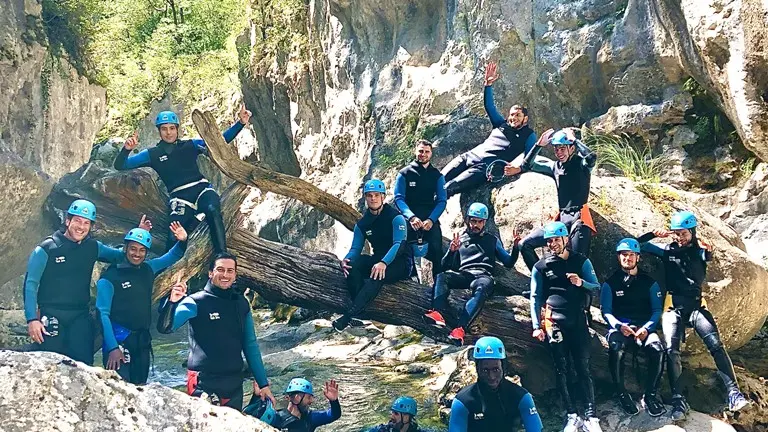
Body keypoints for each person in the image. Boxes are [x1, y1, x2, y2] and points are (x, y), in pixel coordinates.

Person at [638, 211, 749, 420]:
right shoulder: (667, 250)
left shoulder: (700, 250)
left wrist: (709, 251)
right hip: (673, 306)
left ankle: (734, 393)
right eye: (677, 234)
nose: (680, 238)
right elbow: (638, 245)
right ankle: (679, 399)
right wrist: (653, 234)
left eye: (684, 234)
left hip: (696, 306)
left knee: (716, 345)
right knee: (672, 351)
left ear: (692, 232)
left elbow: (707, 255)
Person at [114, 106, 253, 253]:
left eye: (172, 128)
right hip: (179, 198)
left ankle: (222, 254)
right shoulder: (152, 154)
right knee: (174, 234)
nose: (169, 132)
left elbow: (218, 142)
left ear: (177, 129)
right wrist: (126, 149)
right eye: (164, 129)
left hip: (202, 190)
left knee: (212, 210)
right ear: (159, 131)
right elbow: (121, 165)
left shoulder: (190, 145)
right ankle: (170, 270)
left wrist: (241, 123)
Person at [156, 252, 275, 410]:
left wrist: (263, 384)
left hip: (233, 385)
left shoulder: (241, 303)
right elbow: (166, 328)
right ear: (211, 273)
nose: (225, 275)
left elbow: (250, 345)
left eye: (230, 270)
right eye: (220, 269)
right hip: (203, 383)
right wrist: (172, 303)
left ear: (235, 274)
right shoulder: (195, 301)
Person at [23, 199, 136, 365]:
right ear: (68, 221)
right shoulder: (47, 248)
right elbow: (30, 285)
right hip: (51, 314)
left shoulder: (92, 247)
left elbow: (120, 256)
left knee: (83, 366)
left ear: (90, 226)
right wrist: (32, 319)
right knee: (48, 366)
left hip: (80, 316)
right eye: (77, 221)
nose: (81, 226)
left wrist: (137, 237)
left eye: (86, 223)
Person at [529, 221, 602, 432]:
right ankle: (572, 415)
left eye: (556, 240)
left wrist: (582, 283)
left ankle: (591, 416)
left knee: (583, 367)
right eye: (549, 241)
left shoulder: (581, 261)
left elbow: (596, 287)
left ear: (565, 239)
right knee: (561, 368)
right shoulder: (541, 267)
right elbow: (535, 297)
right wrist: (536, 325)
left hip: (577, 319)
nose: (552, 244)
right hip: (553, 321)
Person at [95, 220, 188, 384]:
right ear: (125, 249)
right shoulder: (109, 278)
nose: (136, 254)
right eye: (133, 249)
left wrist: (183, 240)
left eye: (141, 250)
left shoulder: (148, 269)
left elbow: (172, 256)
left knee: (140, 391)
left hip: (142, 343)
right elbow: (102, 315)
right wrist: (112, 347)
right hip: (120, 341)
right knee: (120, 392)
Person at [423, 203, 519, 345]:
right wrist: (452, 251)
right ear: (468, 220)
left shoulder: (492, 240)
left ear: (485, 222)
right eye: (473, 221)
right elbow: (444, 267)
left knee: (481, 289)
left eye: (480, 222)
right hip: (465, 274)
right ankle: (437, 313)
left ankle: (460, 329)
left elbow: (509, 262)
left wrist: (516, 248)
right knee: (442, 277)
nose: (476, 225)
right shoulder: (461, 239)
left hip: (483, 276)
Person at [442, 61, 537, 197]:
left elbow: (530, 159)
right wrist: (488, 84)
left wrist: (519, 169)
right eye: (511, 115)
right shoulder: (500, 124)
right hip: (468, 157)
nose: (513, 118)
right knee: (437, 181)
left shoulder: (528, 135)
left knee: (448, 188)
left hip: (484, 168)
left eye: (518, 115)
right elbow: (489, 106)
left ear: (525, 119)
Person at [508, 128, 597, 271]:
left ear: (571, 148)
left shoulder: (582, 164)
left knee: (576, 262)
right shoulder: (554, 167)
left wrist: (574, 139)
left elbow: (592, 157)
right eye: (556, 149)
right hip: (562, 219)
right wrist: (538, 145)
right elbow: (527, 165)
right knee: (524, 245)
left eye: (563, 148)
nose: (559, 153)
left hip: (579, 219)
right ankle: (543, 281)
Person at [334, 179, 413, 331]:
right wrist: (346, 260)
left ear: (383, 197)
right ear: (365, 198)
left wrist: (384, 262)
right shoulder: (363, 223)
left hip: (400, 261)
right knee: (352, 265)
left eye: (377, 195)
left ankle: (349, 316)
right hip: (378, 259)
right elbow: (355, 248)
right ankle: (361, 314)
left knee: (377, 274)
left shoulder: (396, 217)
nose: (373, 198)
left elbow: (399, 244)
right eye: (369, 195)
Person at [600, 238, 665, 417]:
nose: (627, 258)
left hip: (644, 327)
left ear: (638, 257)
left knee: (657, 350)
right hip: (620, 326)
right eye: (623, 255)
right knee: (617, 349)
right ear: (618, 257)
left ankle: (650, 395)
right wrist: (619, 326)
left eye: (630, 255)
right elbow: (606, 311)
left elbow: (656, 309)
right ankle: (621, 393)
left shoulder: (649, 282)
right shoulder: (610, 283)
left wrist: (647, 328)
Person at [449, 336, 543, 431]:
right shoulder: (463, 402)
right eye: (485, 370)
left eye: (496, 369)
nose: (491, 376)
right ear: (477, 369)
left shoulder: (521, 397)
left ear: (503, 367)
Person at [394, 139, 446, 280]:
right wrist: (411, 217)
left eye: (426, 152)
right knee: (403, 252)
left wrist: (431, 219)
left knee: (437, 252)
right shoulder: (404, 174)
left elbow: (442, 201)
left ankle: (439, 287)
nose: (423, 154)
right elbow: (398, 199)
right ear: (415, 152)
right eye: (420, 151)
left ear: (431, 154)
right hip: (409, 220)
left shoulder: (437, 175)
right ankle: (411, 283)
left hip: (430, 220)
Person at [272, 378, 342, 432]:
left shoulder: (310, 418)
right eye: (309, 397)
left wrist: (334, 401)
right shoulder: (277, 418)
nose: (311, 401)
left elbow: (334, 415)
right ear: (297, 398)